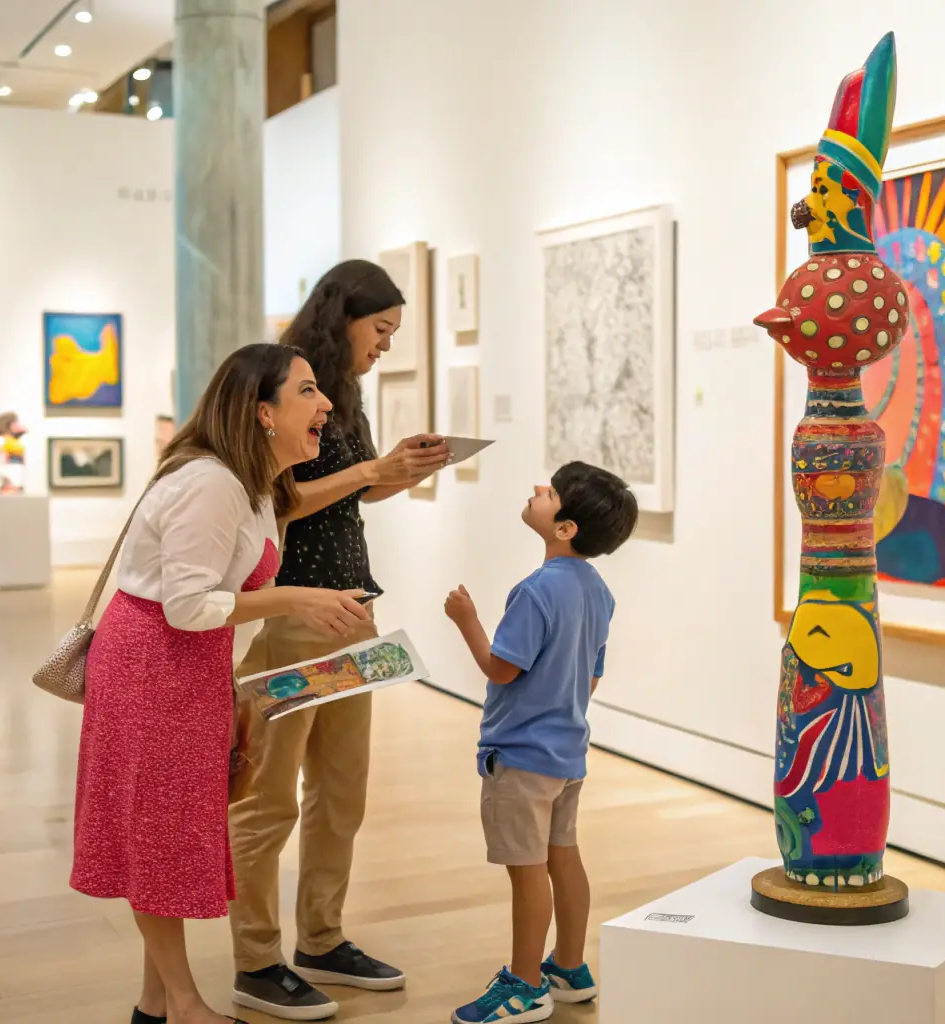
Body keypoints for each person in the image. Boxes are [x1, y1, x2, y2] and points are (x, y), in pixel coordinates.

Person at [70, 344, 373, 1024]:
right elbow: (186, 606)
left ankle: (155, 1004)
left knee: (169, 831)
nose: (325, 405)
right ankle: (183, 1004)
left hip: (187, 664)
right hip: (154, 664)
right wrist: (296, 599)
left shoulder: (252, 485)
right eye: (307, 391)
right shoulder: (212, 483)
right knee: (159, 835)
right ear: (263, 412)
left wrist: (232, 687)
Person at [229, 260, 451, 1020]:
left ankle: (321, 939)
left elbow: (357, 489)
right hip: (292, 611)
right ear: (343, 317)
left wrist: (400, 471)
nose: (386, 344)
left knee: (341, 791)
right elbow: (272, 499)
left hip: (352, 609)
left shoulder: (342, 394)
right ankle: (255, 960)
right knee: (268, 801)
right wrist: (368, 472)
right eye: (380, 329)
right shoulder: (280, 387)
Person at [443, 461, 639, 1024]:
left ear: (565, 528)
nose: (536, 491)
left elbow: (501, 669)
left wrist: (465, 618)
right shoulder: (598, 591)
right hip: (567, 753)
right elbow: (592, 676)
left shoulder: (534, 591)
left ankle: (525, 984)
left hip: (521, 755)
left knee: (527, 870)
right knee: (564, 856)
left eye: (549, 492)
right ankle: (570, 967)